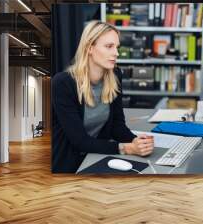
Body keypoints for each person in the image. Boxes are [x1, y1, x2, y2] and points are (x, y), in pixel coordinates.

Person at [51, 20, 154, 173]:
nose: (116, 53)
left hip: (98, 155)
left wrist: (135, 141)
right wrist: (127, 148)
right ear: (90, 48)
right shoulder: (63, 83)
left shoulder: (115, 76)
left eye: (117, 47)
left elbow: (116, 126)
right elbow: (80, 141)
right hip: (69, 163)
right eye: (109, 46)